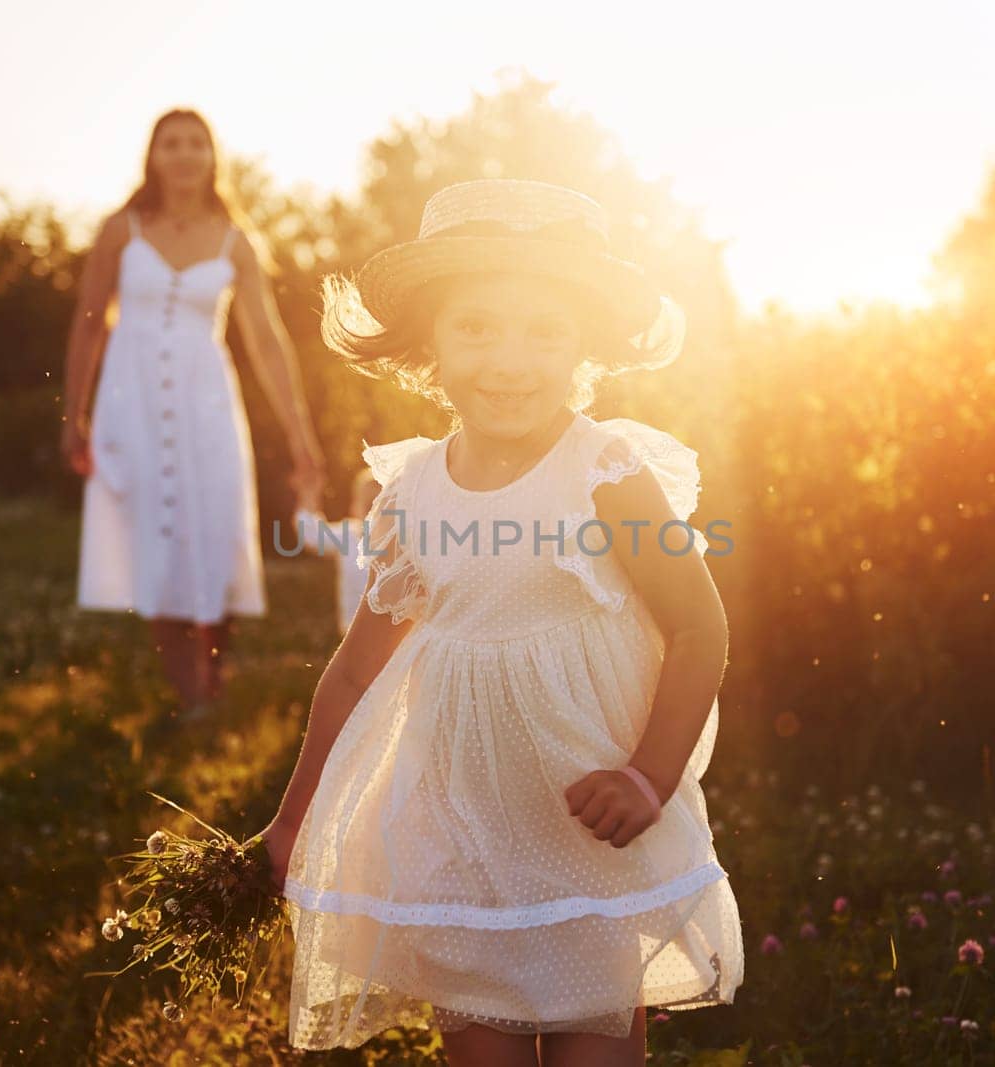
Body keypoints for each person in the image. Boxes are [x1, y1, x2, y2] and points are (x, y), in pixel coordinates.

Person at [258, 179, 743, 1063]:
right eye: (476, 328)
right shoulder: (415, 495)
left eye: (543, 331)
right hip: (461, 831)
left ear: (583, 346)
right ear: (430, 347)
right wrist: (296, 816)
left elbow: (699, 628)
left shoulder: (605, 472)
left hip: (585, 831)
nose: (509, 359)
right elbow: (357, 673)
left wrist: (648, 775)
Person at [61, 108, 325, 721]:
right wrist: (73, 413)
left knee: (218, 527)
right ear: (152, 156)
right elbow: (88, 322)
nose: (184, 155)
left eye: (196, 144)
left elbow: (266, 339)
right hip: (133, 404)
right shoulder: (120, 230)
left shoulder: (237, 240)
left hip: (207, 402)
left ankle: (214, 671)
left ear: (213, 157)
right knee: (157, 534)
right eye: (171, 144)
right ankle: (190, 693)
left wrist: (300, 435)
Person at [290, 468, 380, 639]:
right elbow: (312, 534)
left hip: (392, 635)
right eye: (369, 505)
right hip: (352, 631)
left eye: (381, 503)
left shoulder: (404, 541)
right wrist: (309, 494)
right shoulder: (348, 535)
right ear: (355, 507)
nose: (374, 511)